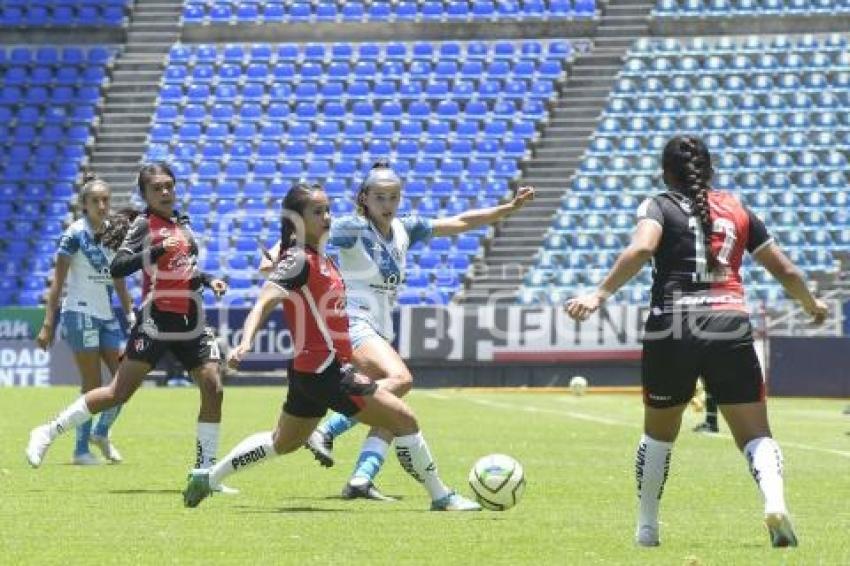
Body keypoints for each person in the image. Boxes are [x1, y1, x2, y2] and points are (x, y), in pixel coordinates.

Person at [565, 135, 827, 548]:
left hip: (672, 327)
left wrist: (598, 293)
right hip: (728, 325)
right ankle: (774, 502)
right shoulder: (737, 209)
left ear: (666, 172)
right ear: (710, 169)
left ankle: (647, 528)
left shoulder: (658, 205)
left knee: (658, 435)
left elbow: (640, 249)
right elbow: (788, 271)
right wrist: (812, 305)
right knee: (756, 434)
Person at [182, 182, 480, 512]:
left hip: (308, 371)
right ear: (297, 219)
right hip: (327, 372)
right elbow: (265, 300)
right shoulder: (299, 259)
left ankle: (208, 478)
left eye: (328, 210)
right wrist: (246, 341)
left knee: (282, 441)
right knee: (404, 420)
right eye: (317, 211)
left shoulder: (320, 259)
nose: (326, 217)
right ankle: (441, 496)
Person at [260, 161, 534, 500]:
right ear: (364, 199)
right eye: (380, 197)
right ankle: (327, 431)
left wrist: (507, 209)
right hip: (352, 320)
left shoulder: (407, 229)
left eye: (394, 197)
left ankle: (361, 478)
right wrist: (275, 256)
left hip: (379, 327)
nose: (388, 204)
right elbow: (302, 237)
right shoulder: (351, 228)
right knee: (401, 380)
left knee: (390, 402)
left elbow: (461, 222)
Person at [26, 162, 232, 482]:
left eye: (169, 185)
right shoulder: (144, 227)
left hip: (192, 317)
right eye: (157, 188)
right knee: (117, 392)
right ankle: (48, 431)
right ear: (145, 194)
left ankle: (205, 473)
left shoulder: (183, 225)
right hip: (157, 319)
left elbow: (184, 270)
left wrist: (208, 279)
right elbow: (119, 267)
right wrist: (158, 248)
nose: (165, 191)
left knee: (213, 386)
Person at [35, 172, 134, 465]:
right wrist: (47, 324)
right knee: (92, 384)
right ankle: (80, 450)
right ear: (85, 205)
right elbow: (57, 283)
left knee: (126, 379)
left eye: (106, 200)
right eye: (96, 201)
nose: (102, 206)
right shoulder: (74, 235)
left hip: (106, 315)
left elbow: (118, 280)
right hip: (79, 314)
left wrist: (130, 313)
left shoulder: (115, 233)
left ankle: (101, 432)